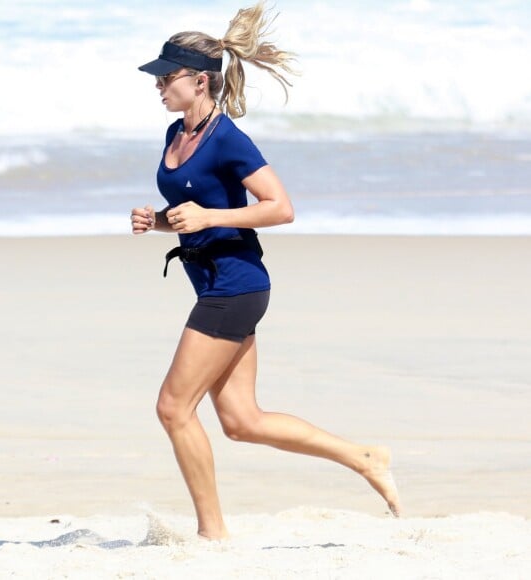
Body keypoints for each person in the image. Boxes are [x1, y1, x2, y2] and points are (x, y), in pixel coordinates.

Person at [131, 1, 401, 540]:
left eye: (167, 76)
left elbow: (280, 207)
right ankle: (365, 456)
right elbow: (197, 208)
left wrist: (208, 215)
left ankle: (212, 533)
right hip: (216, 282)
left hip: (234, 287)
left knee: (172, 407)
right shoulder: (174, 136)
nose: (158, 85)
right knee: (242, 421)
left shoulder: (228, 139)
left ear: (201, 81)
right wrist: (160, 222)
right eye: (157, 77)